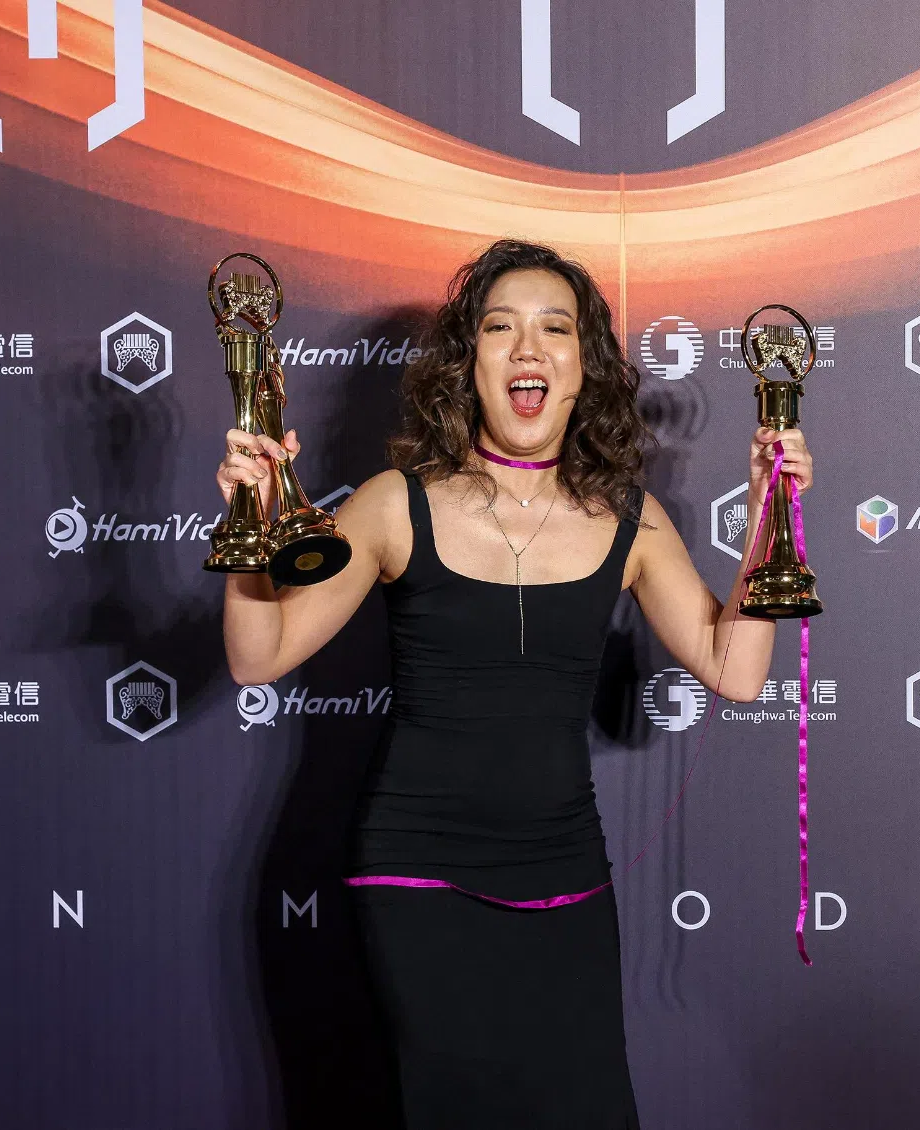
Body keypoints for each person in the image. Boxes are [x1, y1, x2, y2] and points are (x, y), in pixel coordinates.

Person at [216, 239, 812, 1129]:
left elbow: (737, 669)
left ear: (583, 369)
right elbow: (257, 655)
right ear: (471, 364)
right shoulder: (392, 503)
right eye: (501, 328)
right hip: (418, 876)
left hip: (567, 875)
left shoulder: (632, 523)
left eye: (554, 329)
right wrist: (250, 526)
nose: (527, 348)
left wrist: (773, 509)